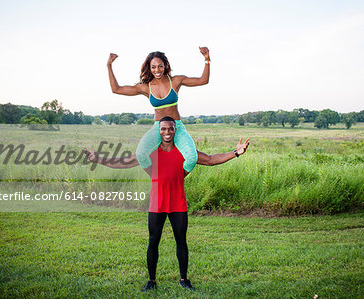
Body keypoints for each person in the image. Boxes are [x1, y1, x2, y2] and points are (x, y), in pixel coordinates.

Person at [84, 116, 250, 292]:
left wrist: (236, 152)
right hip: (157, 204)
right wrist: (98, 159)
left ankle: (184, 279)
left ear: (175, 130)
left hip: (178, 204)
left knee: (181, 242)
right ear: (158, 131)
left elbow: (210, 159)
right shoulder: (150, 153)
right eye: (163, 129)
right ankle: (151, 281)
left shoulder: (185, 152)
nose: (167, 132)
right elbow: (124, 162)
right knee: (153, 242)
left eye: (170, 128)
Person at [107, 48, 210, 176]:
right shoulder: (146, 87)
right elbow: (116, 89)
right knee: (140, 155)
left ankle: (176, 179)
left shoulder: (176, 81)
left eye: (160, 66)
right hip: (158, 128)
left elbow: (203, 80)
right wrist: (109, 65)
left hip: (176, 126)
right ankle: (157, 178)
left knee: (192, 158)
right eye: (153, 67)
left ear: (165, 66)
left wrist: (207, 60)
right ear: (149, 68)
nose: (157, 70)